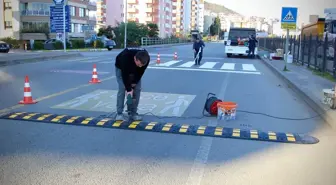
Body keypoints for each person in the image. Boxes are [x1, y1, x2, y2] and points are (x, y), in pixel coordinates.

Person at [114, 47, 150, 121]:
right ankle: (119, 113)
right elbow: (125, 75)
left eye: (141, 65)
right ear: (135, 58)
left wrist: (134, 83)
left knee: (137, 89)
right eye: (139, 64)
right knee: (123, 88)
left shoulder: (146, 59)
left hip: (135, 71)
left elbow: (141, 72)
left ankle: (132, 113)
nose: (140, 66)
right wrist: (129, 89)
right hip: (121, 68)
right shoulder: (125, 57)